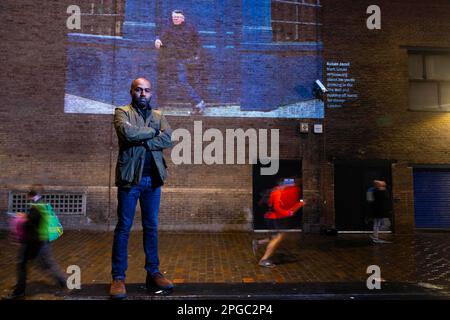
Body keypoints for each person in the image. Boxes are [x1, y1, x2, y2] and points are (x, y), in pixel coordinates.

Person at [110, 77, 173, 299]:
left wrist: (145, 137)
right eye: (139, 90)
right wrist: (153, 133)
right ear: (132, 91)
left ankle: (153, 272)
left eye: (147, 90)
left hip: (152, 180)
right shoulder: (122, 112)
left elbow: (168, 139)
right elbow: (127, 134)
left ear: (151, 93)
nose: (143, 94)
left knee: (151, 227)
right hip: (130, 180)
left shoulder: (158, 115)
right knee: (124, 228)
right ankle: (118, 277)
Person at [6, 187, 66, 299]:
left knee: (23, 264)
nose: (26, 197)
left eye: (28, 195)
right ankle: (62, 280)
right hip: (42, 240)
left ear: (31, 195)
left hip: (36, 241)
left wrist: (21, 220)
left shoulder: (37, 205)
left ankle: (19, 291)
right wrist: (26, 217)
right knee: (46, 263)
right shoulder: (42, 203)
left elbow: (33, 222)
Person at [155, 9, 206, 115]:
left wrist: (197, 56)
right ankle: (198, 102)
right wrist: (158, 40)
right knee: (182, 81)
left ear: (183, 18)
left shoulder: (191, 28)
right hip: (179, 60)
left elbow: (198, 42)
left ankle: (197, 106)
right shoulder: (169, 28)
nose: (175, 19)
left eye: (177, 17)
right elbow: (162, 37)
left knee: (191, 82)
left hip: (191, 60)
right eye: (174, 18)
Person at [253, 178, 305, 268]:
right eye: (290, 184)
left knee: (276, 237)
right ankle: (264, 259)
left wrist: (298, 205)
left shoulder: (278, 190)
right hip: (276, 218)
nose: (292, 186)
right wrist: (289, 212)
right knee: (278, 238)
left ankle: (259, 242)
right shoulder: (278, 192)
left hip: (273, 217)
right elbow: (277, 208)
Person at [366, 180, 392, 244]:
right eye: (383, 185)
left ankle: (375, 236)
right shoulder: (377, 191)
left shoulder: (373, 190)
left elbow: (370, 200)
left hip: (378, 211)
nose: (384, 186)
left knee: (378, 224)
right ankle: (375, 237)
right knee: (384, 224)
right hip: (379, 211)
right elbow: (370, 200)